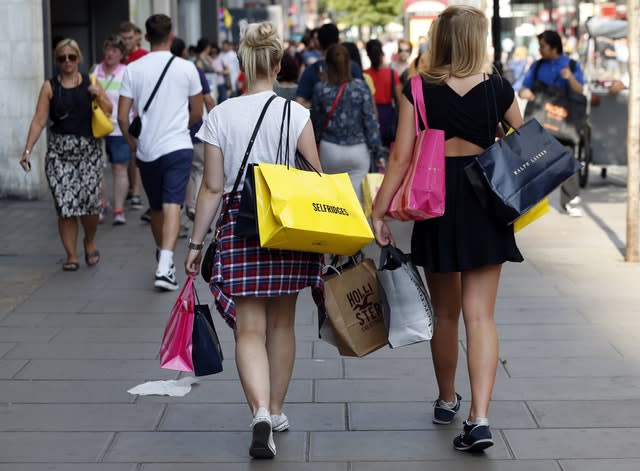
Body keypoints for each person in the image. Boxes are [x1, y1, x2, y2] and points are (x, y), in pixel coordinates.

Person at [371, 5, 524, 452]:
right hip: (486, 200)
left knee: (445, 314)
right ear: (478, 40)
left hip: (436, 203)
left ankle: (445, 399)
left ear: (439, 39)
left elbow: (399, 158)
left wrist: (379, 213)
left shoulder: (416, 89)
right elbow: (526, 135)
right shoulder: (498, 87)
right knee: (482, 316)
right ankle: (479, 418)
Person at [184, 21, 324, 459]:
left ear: (243, 64)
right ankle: (278, 410)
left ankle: (259, 412)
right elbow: (316, 179)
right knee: (283, 324)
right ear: (279, 64)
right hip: (288, 225)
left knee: (249, 329)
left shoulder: (221, 115)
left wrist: (193, 244)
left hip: (239, 224)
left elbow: (210, 188)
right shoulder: (296, 113)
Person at [118, 14, 203, 291]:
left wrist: (134, 145)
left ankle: (163, 260)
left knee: (158, 207)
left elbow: (121, 116)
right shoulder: (186, 68)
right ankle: (164, 261)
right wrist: (181, 128)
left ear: (145, 36)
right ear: (171, 35)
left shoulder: (133, 69)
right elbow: (198, 111)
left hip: (147, 150)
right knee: (171, 205)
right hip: (177, 145)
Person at [20, 38, 112, 271]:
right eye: (62, 58)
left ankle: (89, 241)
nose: (67, 62)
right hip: (59, 154)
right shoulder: (50, 86)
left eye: (72, 57)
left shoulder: (90, 82)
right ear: (57, 61)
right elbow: (40, 119)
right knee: (65, 205)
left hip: (88, 151)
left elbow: (109, 110)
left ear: (79, 58)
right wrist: (28, 149)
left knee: (89, 205)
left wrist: (98, 95)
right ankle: (71, 255)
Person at [519, 30, 586, 217]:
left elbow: (580, 91)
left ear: (553, 47)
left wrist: (569, 77)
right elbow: (524, 87)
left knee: (567, 158)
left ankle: (571, 199)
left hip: (563, 122)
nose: (540, 50)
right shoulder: (537, 66)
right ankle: (529, 200)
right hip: (540, 121)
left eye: (543, 46)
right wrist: (526, 92)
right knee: (531, 159)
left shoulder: (571, 65)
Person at [312, 44, 385, 202]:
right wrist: (378, 153)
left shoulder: (320, 89)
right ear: (349, 64)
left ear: (327, 64)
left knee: (332, 201)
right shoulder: (360, 87)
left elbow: (316, 123)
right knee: (356, 202)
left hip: (329, 151)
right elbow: (370, 122)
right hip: (357, 151)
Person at [171, 37, 216, 221]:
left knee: (179, 176)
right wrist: (215, 121)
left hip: (171, 132)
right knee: (198, 170)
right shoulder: (194, 70)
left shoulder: (164, 73)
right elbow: (208, 99)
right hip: (194, 129)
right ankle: (195, 205)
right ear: (184, 52)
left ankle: (179, 219)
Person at [93, 35, 130, 225]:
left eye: (114, 50)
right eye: (108, 49)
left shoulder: (126, 72)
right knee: (98, 168)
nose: (110, 53)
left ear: (121, 54)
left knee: (119, 168)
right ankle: (101, 204)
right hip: (98, 127)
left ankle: (118, 209)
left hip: (119, 127)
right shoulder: (96, 71)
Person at [295, 23, 363, 108]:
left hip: (321, 121)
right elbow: (364, 95)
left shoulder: (311, 70)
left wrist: (318, 107)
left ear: (318, 43)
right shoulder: (352, 67)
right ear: (338, 41)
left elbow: (300, 101)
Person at [119, 21, 147, 211]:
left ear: (136, 37)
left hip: (137, 110)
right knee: (125, 154)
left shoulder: (143, 56)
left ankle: (136, 192)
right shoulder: (118, 57)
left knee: (134, 151)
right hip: (120, 111)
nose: (127, 41)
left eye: (130, 38)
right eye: (124, 38)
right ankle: (130, 188)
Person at [365, 39, 401, 148]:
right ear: (382, 54)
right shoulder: (392, 73)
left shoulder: (364, 75)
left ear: (368, 55)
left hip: (369, 114)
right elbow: (399, 100)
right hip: (388, 114)